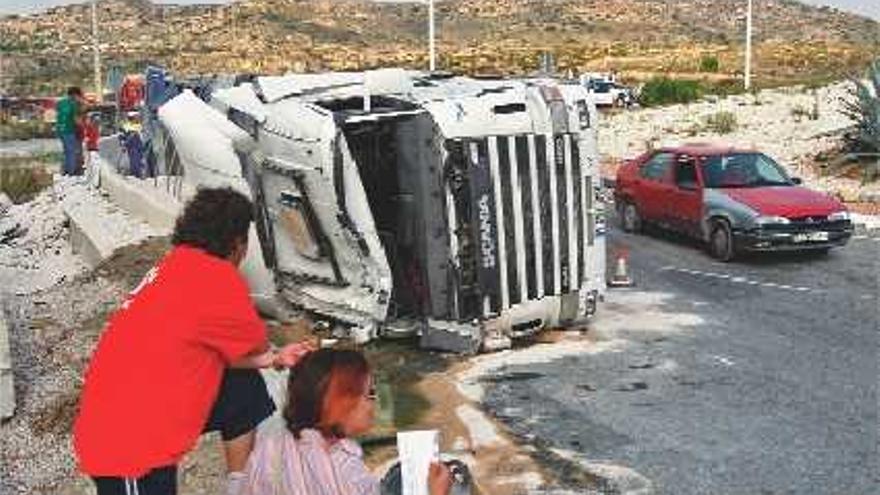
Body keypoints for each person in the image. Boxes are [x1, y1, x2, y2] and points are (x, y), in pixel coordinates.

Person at [73, 187, 313, 495]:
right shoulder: (219, 280)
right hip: (126, 444)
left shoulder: (175, 266)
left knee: (242, 389)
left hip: (133, 408)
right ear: (238, 243)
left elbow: (223, 350)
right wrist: (272, 351)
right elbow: (255, 343)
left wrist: (274, 359)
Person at [244, 348, 453, 495]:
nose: (375, 400)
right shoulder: (346, 476)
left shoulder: (268, 445)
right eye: (369, 393)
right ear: (341, 404)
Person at [56, 86, 85, 176]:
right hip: (69, 129)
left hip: (60, 129)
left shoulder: (60, 102)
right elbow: (76, 120)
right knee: (72, 151)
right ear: (75, 95)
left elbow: (59, 114)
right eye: (78, 96)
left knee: (66, 150)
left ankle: (64, 170)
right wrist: (84, 126)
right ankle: (72, 172)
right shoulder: (73, 104)